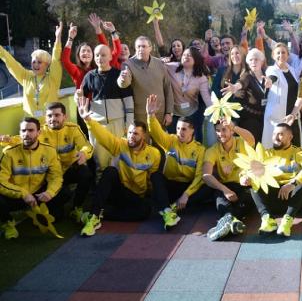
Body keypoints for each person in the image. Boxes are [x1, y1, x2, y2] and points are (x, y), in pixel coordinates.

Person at [77, 97, 161, 237]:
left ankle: (104, 213)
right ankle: (94, 216)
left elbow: (151, 180)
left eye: (135, 134)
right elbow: (104, 136)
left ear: (144, 136)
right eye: (129, 133)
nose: (131, 137)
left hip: (135, 196)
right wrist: (88, 120)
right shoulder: (120, 145)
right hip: (118, 190)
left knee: (145, 211)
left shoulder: (154, 153)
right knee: (110, 171)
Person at [146, 94, 211, 228]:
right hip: (170, 185)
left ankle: (175, 205)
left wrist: (186, 195)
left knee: (207, 185)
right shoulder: (170, 140)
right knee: (156, 176)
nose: (180, 132)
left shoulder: (200, 150)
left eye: (184, 129)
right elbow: (156, 132)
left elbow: (200, 176)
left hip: (186, 188)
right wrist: (151, 116)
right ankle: (168, 211)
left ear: (192, 131)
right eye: (178, 129)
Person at [248, 123, 302, 237]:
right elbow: (247, 168)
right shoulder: (266, 153)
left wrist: (293, 183)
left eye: (280, 134)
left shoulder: (298, 152)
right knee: (252, 179)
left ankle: (287, 220)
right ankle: (267, 219)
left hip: (292, 200)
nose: (276, 137)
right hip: (271, 199)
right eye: (274, 134)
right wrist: (244, 178)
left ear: (290, 137)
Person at [0, 118, 63, 240]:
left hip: (39, 194)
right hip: (18, 196)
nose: (26, 134)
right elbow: (1, 182)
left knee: (63, 197)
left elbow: (56, 176)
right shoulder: (8, 153)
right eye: (23, 130)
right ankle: (8, 223)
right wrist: (23, 194)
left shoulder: (49, 151)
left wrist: (49, 193)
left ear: (39, 133)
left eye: (31, 130)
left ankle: (35, 211)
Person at [79, 44, 134, 171]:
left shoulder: (118, 75)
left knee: (121, 160)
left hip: (118, 124)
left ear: (110, 57)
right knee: (101, 162)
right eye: (97, 55)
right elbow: (81, 96)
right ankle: (102, 186)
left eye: (103, 55)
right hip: (98, 126)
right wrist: (78, 97)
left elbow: (128, 101)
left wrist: (129, 124)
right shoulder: (89, 76)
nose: (100, 58)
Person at [203, 119, 257, 241]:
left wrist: (235, 127)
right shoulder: (212, 150)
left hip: (244, 185)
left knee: (250, 201)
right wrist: (225, 190)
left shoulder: (241, 142)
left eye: (224, 130)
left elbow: (252, 140)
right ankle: (234, 223)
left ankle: (228, 221)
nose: (220, 133)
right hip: (225, 186)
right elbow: (206, 175)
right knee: (219, 199)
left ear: (231, 131)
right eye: (217, 130)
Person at [0, 22, 63, 120]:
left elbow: (56, 59)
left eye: (39, 62)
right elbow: (10, 62)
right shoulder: (26, 76)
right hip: (30, 126)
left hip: (49, 125)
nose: (36, 65)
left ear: (46, 64)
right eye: (34, 62)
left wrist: (58, 38)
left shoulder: (53, 78)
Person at [118, 35, 173, 126]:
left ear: (150, 48)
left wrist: (169, 112)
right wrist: (123, 79)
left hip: (160, 113)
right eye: (138, 47)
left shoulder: (160, 64)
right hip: (140, 115)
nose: (140, 49)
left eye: (143, 46)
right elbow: (124, 84)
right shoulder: (128, 64)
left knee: (159, 140)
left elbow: (168, 88)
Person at [164, 47, 212, 142]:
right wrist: (163, 60)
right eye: (184, 55)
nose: (186, 57)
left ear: (196, 59)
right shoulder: (173, 67)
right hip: (174, 113)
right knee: (174, 141)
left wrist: (216, 111)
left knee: (194, 141)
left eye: (189, 55)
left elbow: (206, 98)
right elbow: (156, 63)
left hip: (192, 113)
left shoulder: (201, 78)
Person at [262, 43, 302, 148]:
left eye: (283, 52)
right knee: (277, 146)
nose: (281, 55)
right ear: (273, 56)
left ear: (288, 55)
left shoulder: (292, 70)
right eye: (278, 53)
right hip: (277, 116)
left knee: (296, 145)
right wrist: (269, 82)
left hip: (293, 113)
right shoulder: (271, 70)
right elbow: (273, 78)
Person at [226, 48, 270, 144]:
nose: (253, 62)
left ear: (261, 61)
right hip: (250, 118)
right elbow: (242, 82)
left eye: (256, 59)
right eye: (251, 60)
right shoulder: (247, 76)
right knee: (252, 144)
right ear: (248, 63)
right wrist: (235, 87)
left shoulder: (268, 75)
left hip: (266, 117)